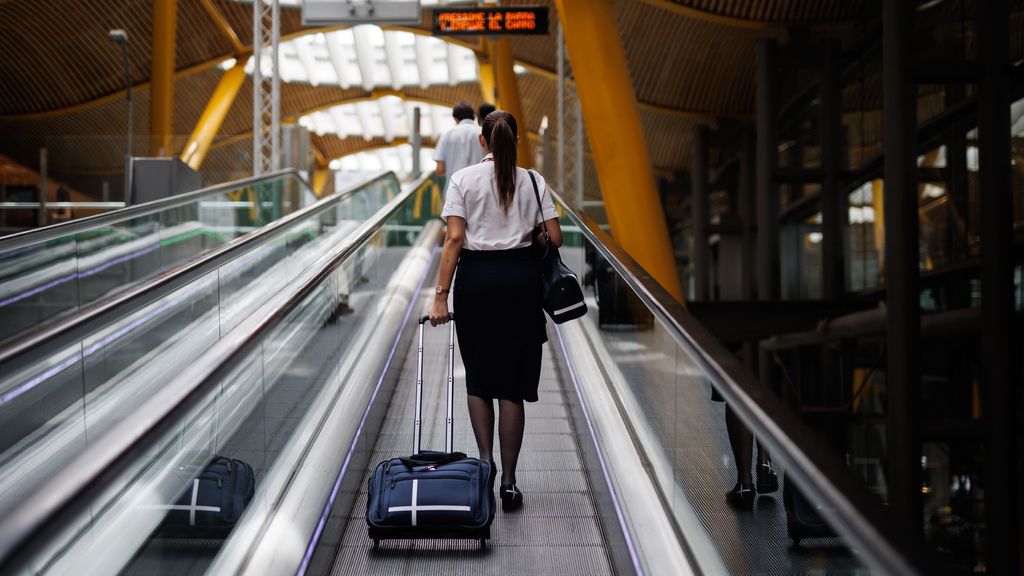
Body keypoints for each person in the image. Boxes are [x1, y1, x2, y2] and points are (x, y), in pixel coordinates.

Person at [428, 110, 561, 513]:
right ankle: (510, 481)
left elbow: (453, 240)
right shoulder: (534, 181)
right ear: (515, 141)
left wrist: (439, 297)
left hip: (477, 284)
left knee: (480, 381)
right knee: (512, 388)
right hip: (520, 284)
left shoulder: (463, 180)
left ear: (482, 142)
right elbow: (553, 236)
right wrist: (530, 231)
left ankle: (484, 466)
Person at [433, 101, 483, 195]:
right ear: (473, 116)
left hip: (455, 191)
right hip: (480, 190)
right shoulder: (482, 132)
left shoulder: (447, 135)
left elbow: (440, 169)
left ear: (455, 118)